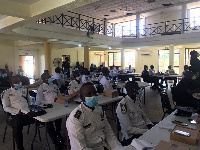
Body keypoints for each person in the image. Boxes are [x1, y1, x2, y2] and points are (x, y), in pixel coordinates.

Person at [66, 82, 122, 150]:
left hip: (103, 146)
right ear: (82, 97)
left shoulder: (99, 109)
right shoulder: (76, 118)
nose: (93, 96)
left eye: (95, 93)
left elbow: (108, 132)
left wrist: (118, 148)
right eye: (89, 94)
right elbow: (81, 148)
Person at [1, 76, 34, 150]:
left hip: (27, 112)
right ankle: (20, 147)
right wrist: (17, 111)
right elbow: (5, 107)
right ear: (11, 83)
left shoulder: (25, 90)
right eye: (16, 82)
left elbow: (29, 101)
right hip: (16, 114)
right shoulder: (7, 93)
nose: (19, 83)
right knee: (17, 127)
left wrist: (30, 108)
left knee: (41, 118)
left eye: (19, 81)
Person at [116, 81, 153, 146]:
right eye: (138, 89)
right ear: (131, 91)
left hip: (143, 129)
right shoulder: (123, 105)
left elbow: (144, 116)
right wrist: (146, 131)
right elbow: (129, 129)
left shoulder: (137, 100)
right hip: (133, 137)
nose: (139, 91)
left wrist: (150, 124)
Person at [36, 73, 64, 144]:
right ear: (43, 79)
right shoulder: (41, 88)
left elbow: (59, 95)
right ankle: (55, 141)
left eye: (50, 77)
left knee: (59, 117)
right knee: (49, 122)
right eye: (48, 77)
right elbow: (39, 100)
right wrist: (48, 103)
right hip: (47, 107)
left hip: (56, 105)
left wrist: (59, 99)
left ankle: (58, 132)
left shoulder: (54, 86)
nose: (50, 78)